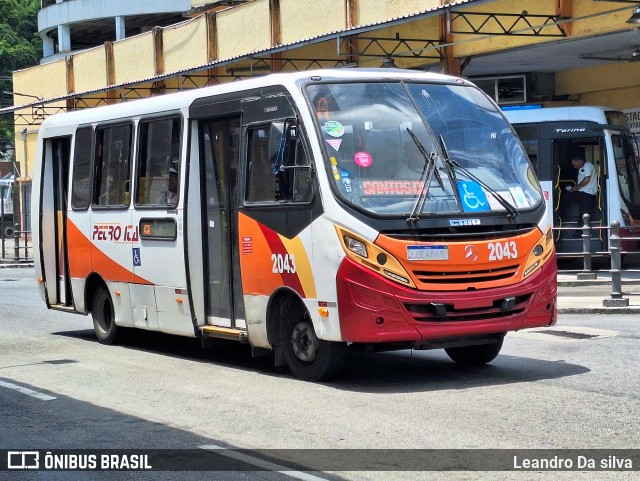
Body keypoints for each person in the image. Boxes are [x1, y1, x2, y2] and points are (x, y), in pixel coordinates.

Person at [566, 151, 597, 229]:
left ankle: (580, 231)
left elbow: (587, 179)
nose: (574, 167)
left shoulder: (588, 166)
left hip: (588, 192)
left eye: (575, 164)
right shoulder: (582, 167)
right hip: (581, 191)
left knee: (584, 213)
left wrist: (576, 187)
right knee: (566, 199)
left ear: (580, 161)